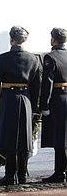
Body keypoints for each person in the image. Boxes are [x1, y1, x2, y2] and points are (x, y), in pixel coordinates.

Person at [0, 26, 40, 185]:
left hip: (9, 99)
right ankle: (23, 175)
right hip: (26, 99)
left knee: (10, 136)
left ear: (11, 39)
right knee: (24, 138)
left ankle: (10, 175)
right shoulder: (34, 58)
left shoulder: (3, 58)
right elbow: (36, 86)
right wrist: (35, 106)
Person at [40, 27, 67, 183]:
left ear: (53, 39)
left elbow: (47, 83)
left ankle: (59, 172)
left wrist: (44, 105)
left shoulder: (50, 57)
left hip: (58, 100)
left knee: (59, 138)